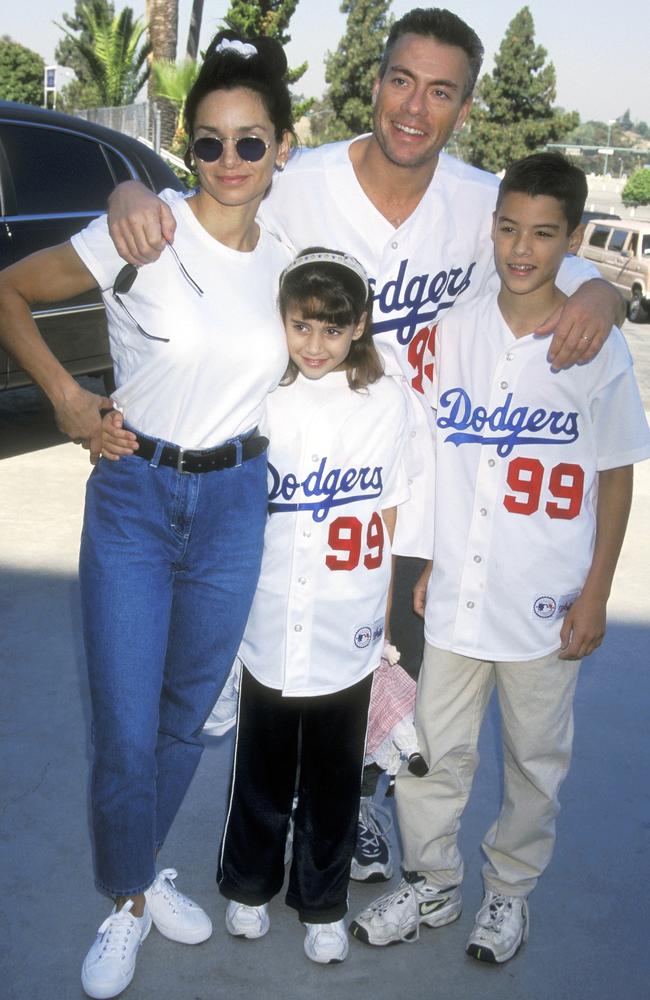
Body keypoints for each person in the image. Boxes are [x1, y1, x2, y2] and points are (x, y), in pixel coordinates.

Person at [103, 6, 626, 881]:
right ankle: (277, 813)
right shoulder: (300, 182)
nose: (414, 107)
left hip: (414, 483)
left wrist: (605, 293)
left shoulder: (475, 200)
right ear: (375, 80)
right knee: (280, 651)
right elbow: (204, 199)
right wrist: (129, 194)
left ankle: (362, 807)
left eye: (441, 90)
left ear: (464, 105)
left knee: (386, 665)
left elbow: (559, 256)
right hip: (297, 464)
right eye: (400, 80)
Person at [0, 30, 295, 1000]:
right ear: (184, 143)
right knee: (127, 729)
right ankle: (128, 898)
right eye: (207, 143)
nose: (227, 164)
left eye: (249, 143)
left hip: (234, 503)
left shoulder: (293, 253)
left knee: (182, 721)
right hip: (133, 496)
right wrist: (65, 396)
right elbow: (9, 290)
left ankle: (139, 871)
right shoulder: (144, 227)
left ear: (280, 148)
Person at [348, 152, 650, 962]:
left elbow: (616, 478)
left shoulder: (597, 346)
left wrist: (598, 591)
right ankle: (434, 882)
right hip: (454, 595)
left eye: (545, 234)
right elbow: (435, 457)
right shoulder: (456, 331)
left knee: (534, 762)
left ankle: (509, 893)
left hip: (547, 598)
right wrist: (432, 562)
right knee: (430, 751)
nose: (523, 247)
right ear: (493, 229)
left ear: (574, 240)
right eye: (510, 228)